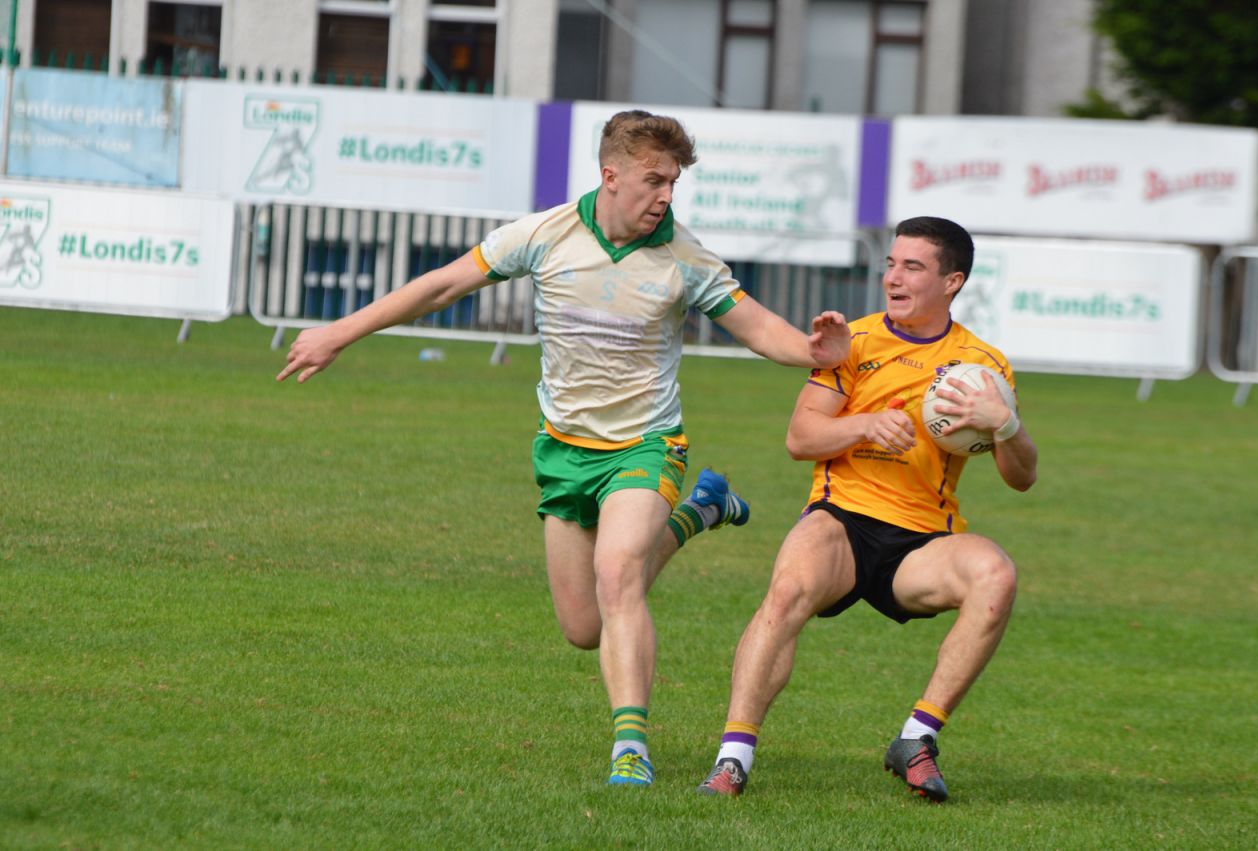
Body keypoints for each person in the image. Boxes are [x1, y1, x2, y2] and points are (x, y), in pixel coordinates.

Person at [277, 109, 852, 787]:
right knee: (585, 624)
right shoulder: (544, 234)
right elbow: (441, 285)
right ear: (610, 176)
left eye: (673, 183)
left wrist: (812, 351)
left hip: (645, 446)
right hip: (563, 452)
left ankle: (630, 746)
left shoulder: (685, 258)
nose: (666, 195)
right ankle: (701, 511)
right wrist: (341, 331)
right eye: (653, 180)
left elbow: (757, 327)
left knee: (617, 576)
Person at [696, 216, 1037, 802]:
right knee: (787, 593)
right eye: (891, 264)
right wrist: (864, 425)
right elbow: (801, 438)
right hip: (842, 520)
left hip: (923, 541)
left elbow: (1022, 476)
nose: (894, 278)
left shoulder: (982, 366)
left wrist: (1005, 424)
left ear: (952, 281)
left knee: (995, 573)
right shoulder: (852, 342)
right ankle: (733, 758)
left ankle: (916, 738)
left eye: (912, 267)